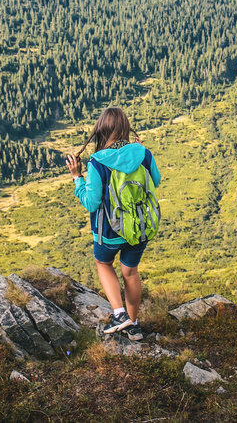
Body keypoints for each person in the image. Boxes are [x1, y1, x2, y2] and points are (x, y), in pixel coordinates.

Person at [66, 106, 161, 341]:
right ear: (126, 129)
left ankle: (119, 315)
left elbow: (91, 202)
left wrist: (78, 177)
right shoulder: (143, 153)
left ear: (102, 130)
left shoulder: (97, 162)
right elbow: (155, 181)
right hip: (139, 228)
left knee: (103, 263)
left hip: (108, 231)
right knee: (130, 273)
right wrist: (140, 148)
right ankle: (134, 324)